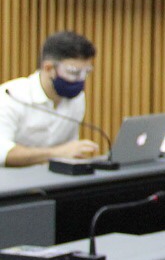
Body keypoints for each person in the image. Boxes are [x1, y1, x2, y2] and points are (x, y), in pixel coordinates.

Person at [0, 31, 101, 167]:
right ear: (48, 68)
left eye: (86, 72)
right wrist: (56, 153)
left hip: (55, 177)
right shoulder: (10, 96)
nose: (81, 79)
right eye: (74, 72)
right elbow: (3, 153)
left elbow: (69, 152)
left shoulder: (77, 99)